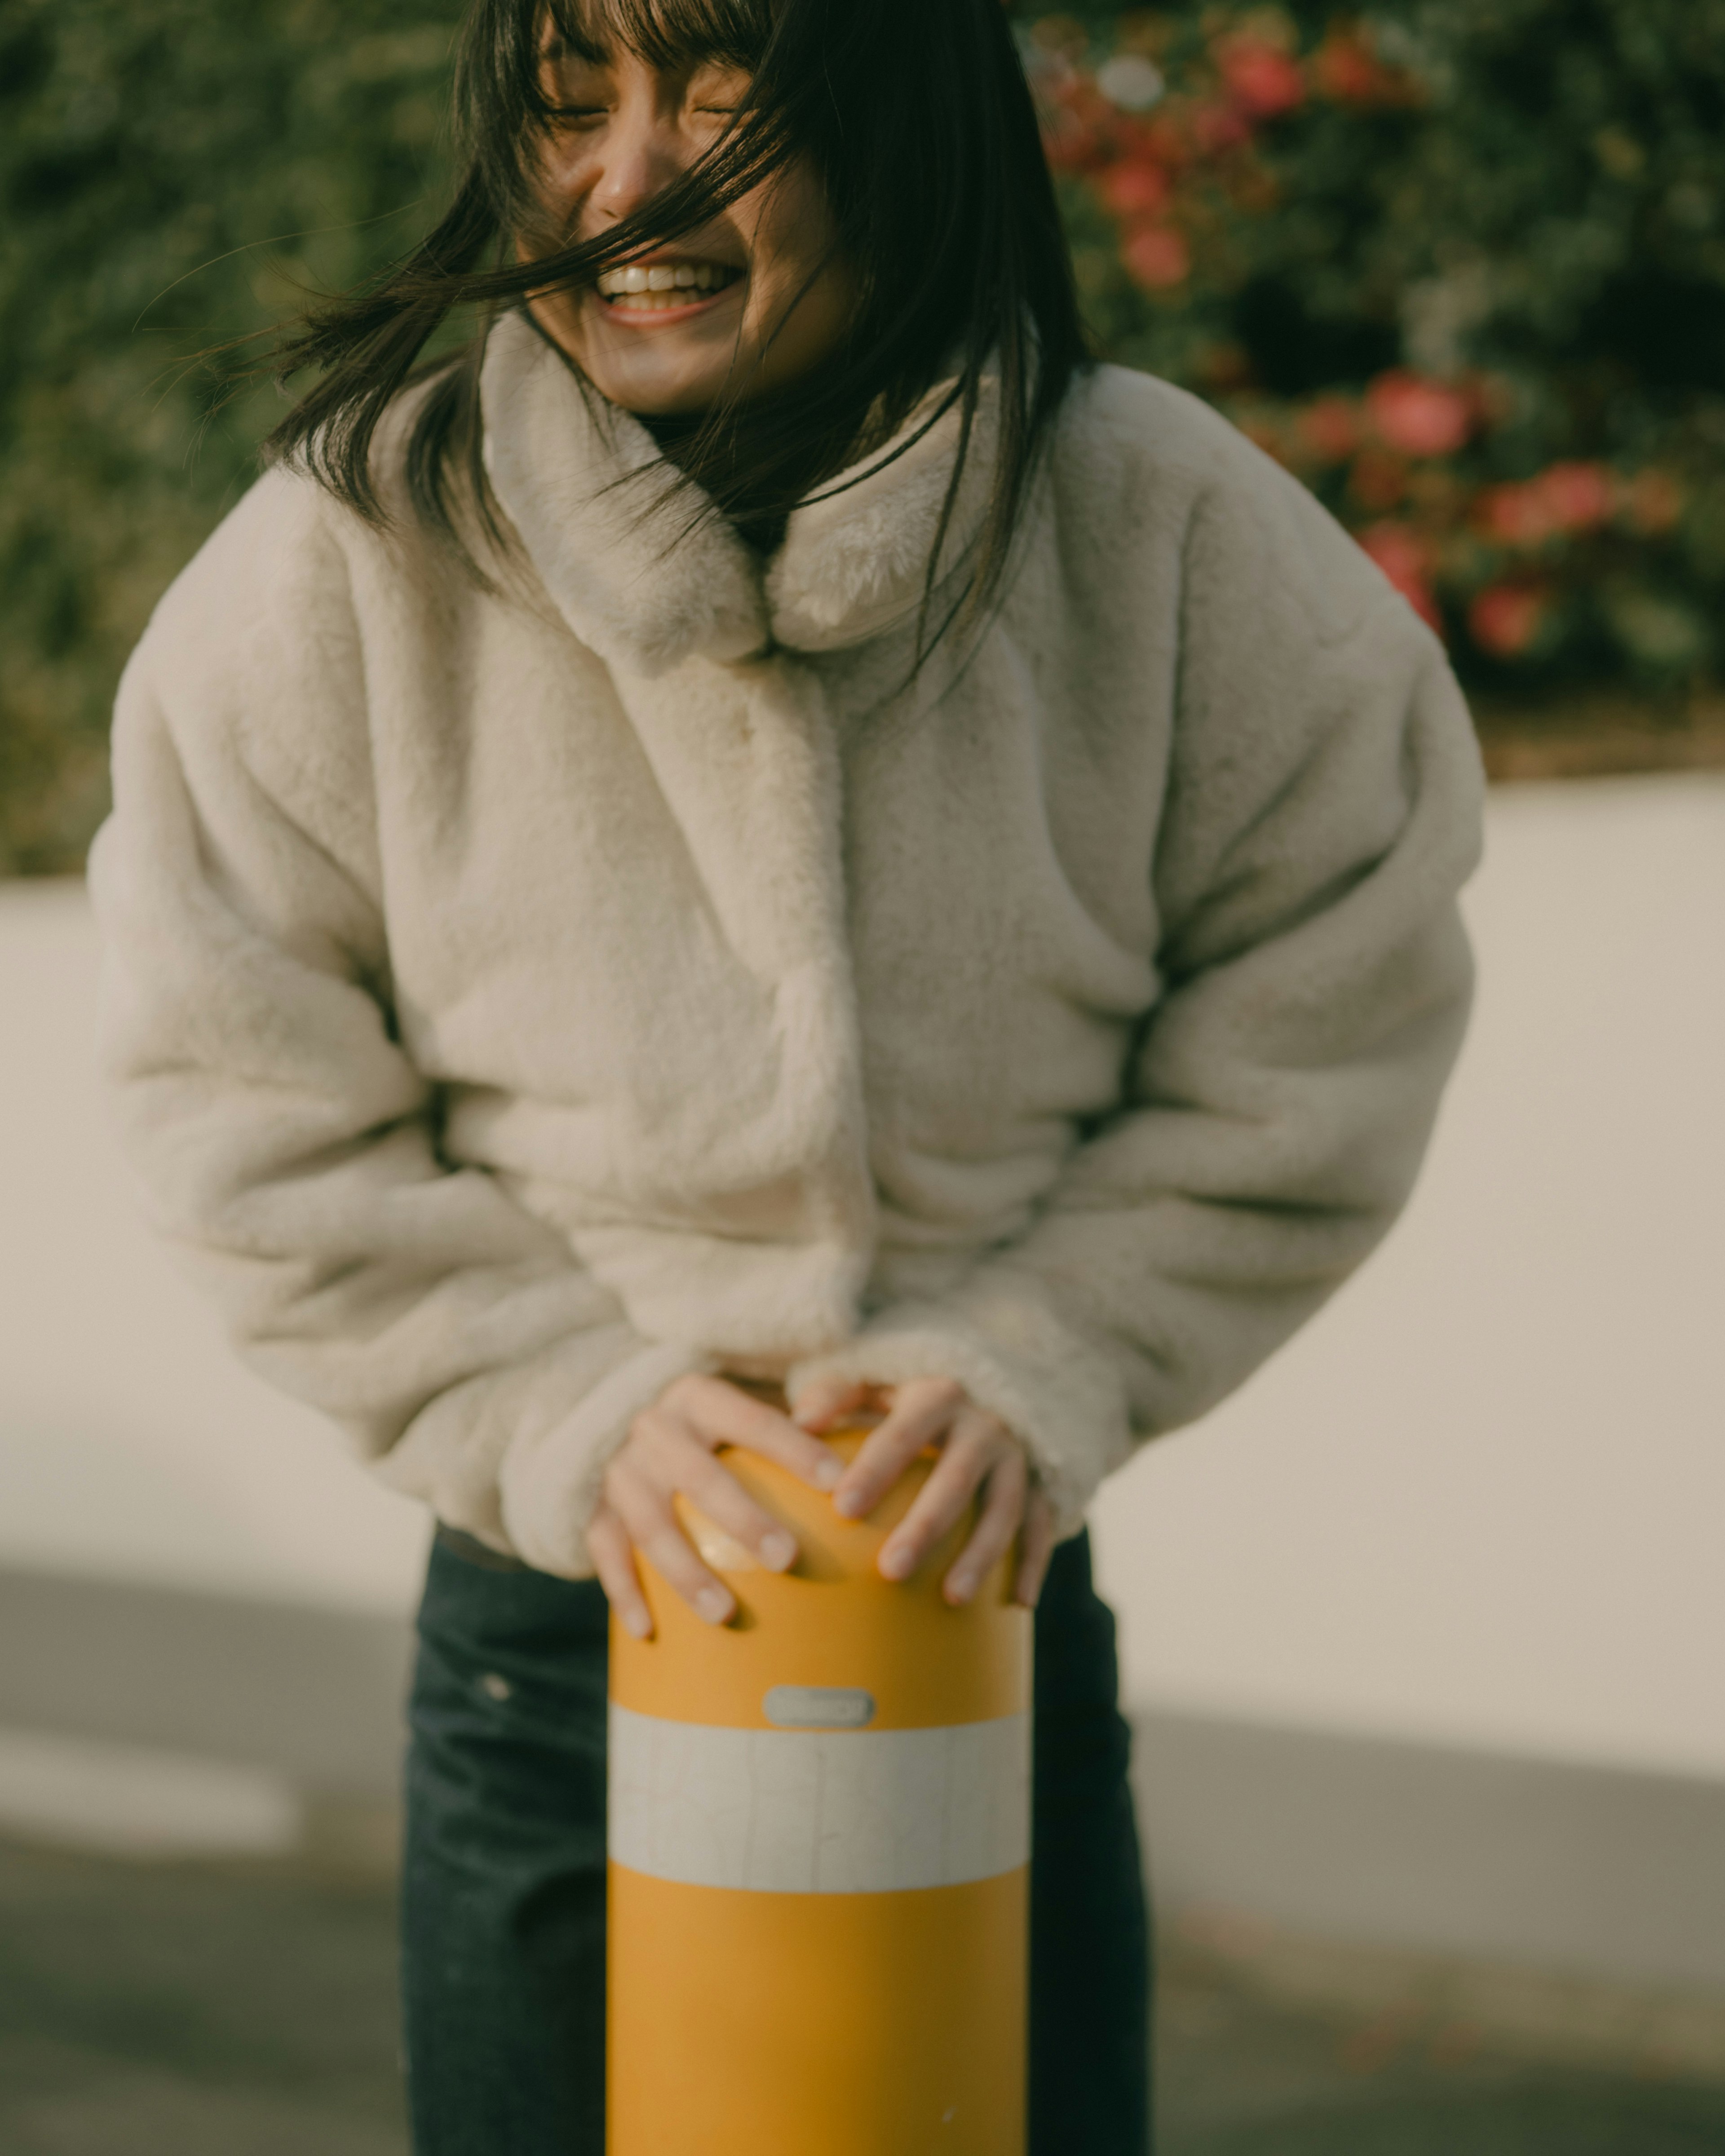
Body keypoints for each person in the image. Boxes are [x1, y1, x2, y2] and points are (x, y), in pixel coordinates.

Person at [89, 0, 1484, 2149]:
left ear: (901, 110)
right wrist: (558, 1405)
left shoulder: (1161, 527)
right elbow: (225, 1064)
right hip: (550, 1641)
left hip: (982, 1593)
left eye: (724, 85)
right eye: (572, 97)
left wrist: (1053, 1347)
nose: (623, 179)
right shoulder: (356, 547)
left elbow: (1343, 966)